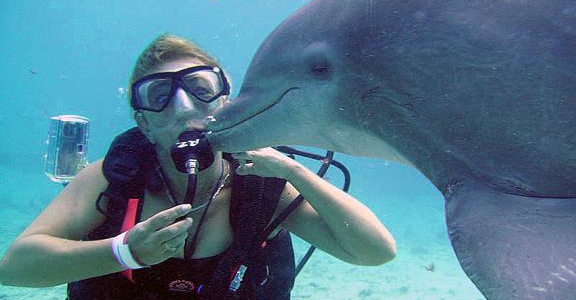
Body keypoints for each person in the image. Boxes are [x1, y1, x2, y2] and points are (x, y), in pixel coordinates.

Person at [0, 34, 396, 299]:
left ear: (227, 100)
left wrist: (293, 172)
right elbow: (15, 267)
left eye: (200, 89)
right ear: (145, 124)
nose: (184, 108)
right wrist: (124, 252)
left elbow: (375, 252)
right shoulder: (117, 179)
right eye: (160, 96)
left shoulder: (261, 182)